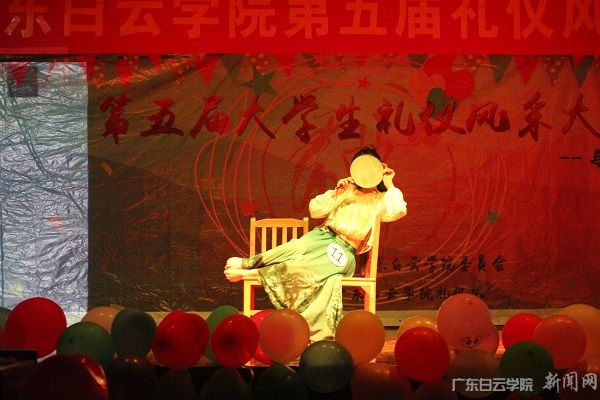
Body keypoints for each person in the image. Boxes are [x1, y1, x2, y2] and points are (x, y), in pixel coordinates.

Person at [224, 146, 407, 340]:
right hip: (322, 236)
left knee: (307, 265)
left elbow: (398, 210)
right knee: (294, 247)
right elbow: (315, 210)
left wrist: (389, 182)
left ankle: (252, 274)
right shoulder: (347, 191)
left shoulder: (380, 200)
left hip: (344, 250)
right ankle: (249, 263)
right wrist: (336, 193)